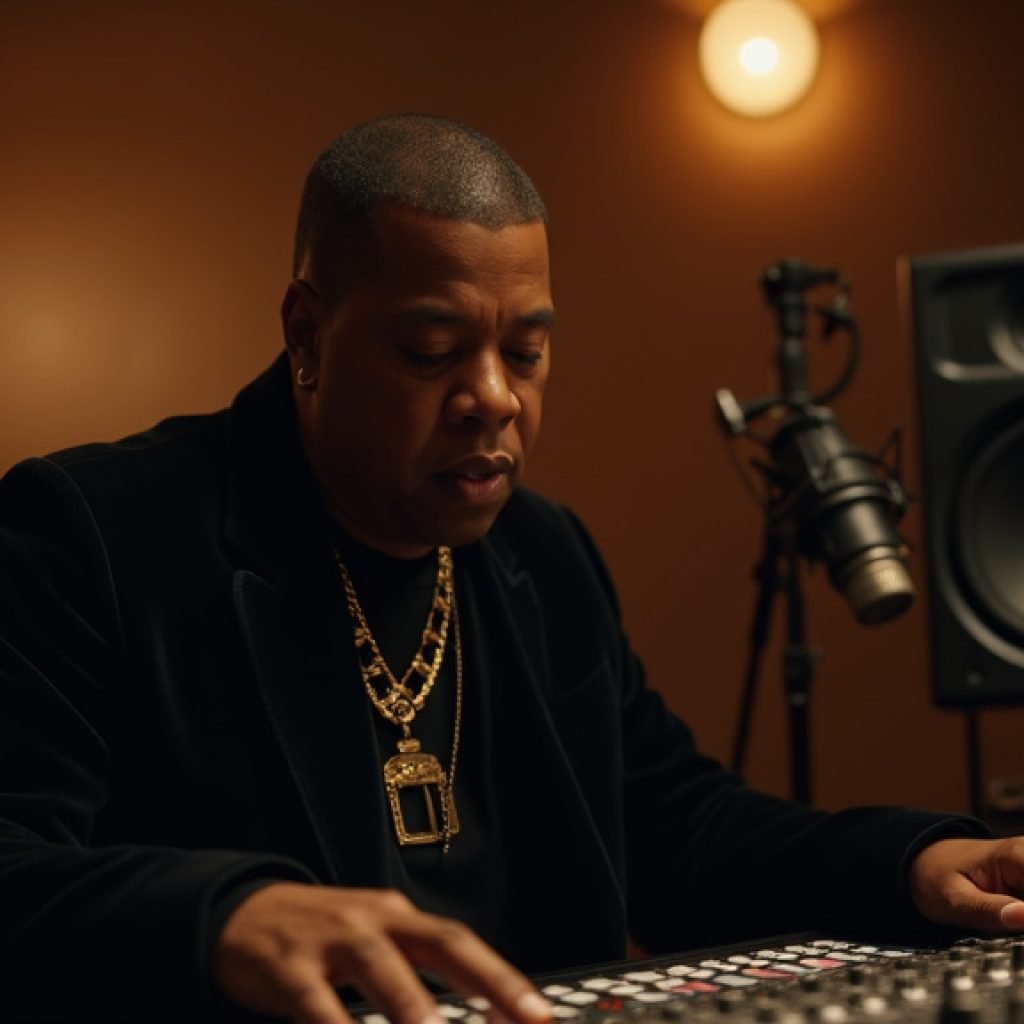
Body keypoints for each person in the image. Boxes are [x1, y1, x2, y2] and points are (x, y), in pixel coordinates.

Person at [1, 113, 1023, 1024]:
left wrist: (912, 862)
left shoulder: (544, 551)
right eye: (430, 350)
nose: (492, 397)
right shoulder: (92, 530)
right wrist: (225, 914)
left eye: (525, 353)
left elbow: (674, 826)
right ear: (307, 333)